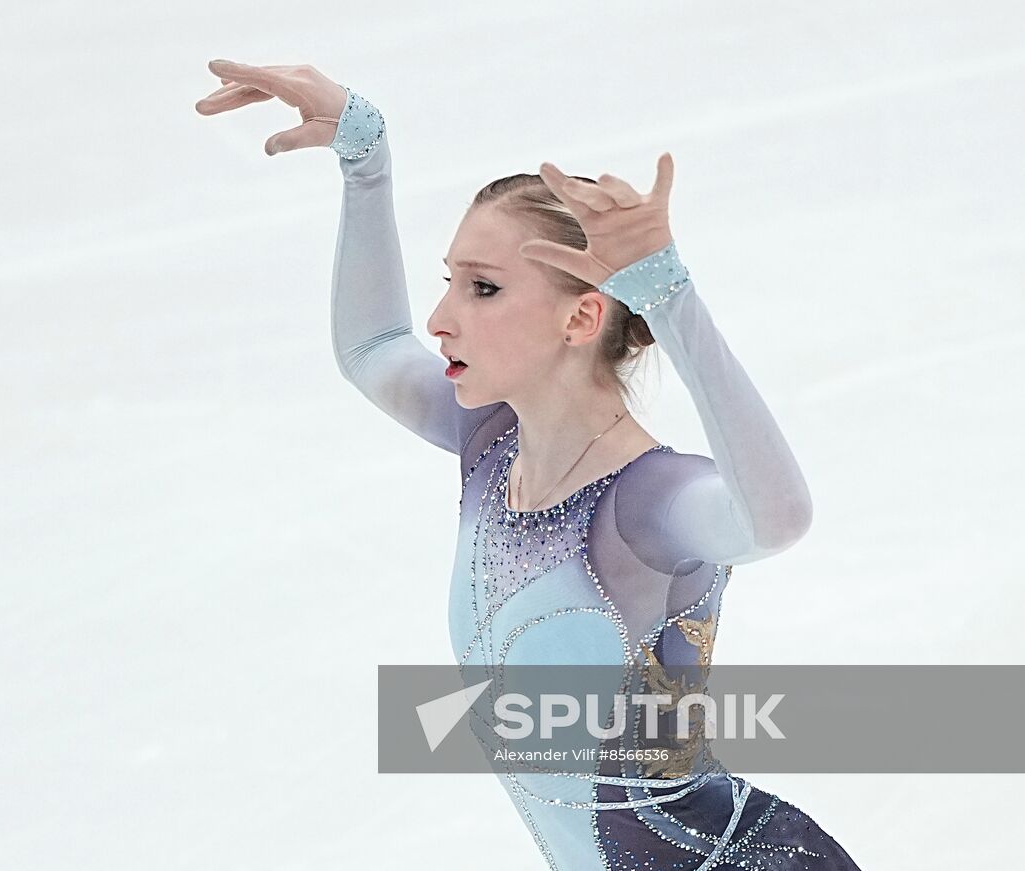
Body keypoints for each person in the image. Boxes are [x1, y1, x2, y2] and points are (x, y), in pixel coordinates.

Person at [196, 59, 862, 871]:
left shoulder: (648, 503)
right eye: (449, 283)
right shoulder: (489, 443)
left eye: (481, 289)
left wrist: (668, 292)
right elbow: (373, 345)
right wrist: (364, 158)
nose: (440, 319)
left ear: (582, 317)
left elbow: (779, 519)